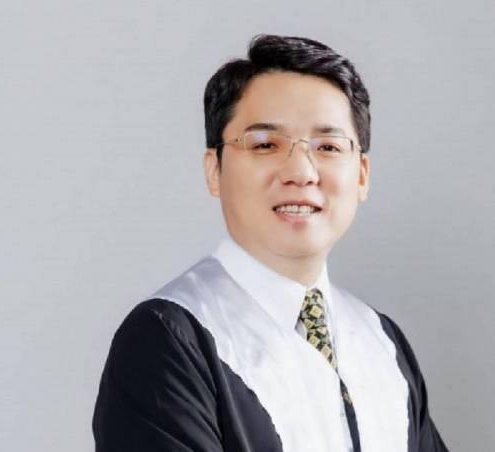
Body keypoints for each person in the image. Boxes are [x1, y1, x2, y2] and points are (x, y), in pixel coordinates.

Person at [92, 34, 448, 452]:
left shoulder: (381, 341)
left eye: (328, 146)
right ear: (214, 170)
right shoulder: (169, 340)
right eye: (265, 145)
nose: (301, 172)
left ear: (362, 175)